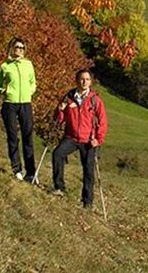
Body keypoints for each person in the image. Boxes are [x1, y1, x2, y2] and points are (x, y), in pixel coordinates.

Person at [52, 68, 108, 209]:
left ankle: (87, 201)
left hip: (89, 140)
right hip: (71, 137)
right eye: (82, 79)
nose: (84, 82)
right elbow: (59, 120)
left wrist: (99, 139)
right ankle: (59, 188)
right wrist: (60, 109)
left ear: (90, 82)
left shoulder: (95, 100)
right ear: (77, 80)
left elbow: (102, 121)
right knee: (57, 154)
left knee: (88, 170)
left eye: (87, 79)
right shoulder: (68, 97)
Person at [0, 37, 37, 182]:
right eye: (17, 47)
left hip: (25, 104)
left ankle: (30, 172)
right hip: (10, 104)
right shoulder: (5, 66)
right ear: (12, 48)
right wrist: (4, 91)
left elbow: (33, 82)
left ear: (25, 50)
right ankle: (17, 169)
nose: (19, 50)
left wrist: (29, 92)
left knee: (27, 137)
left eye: (22, 48)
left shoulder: (29, 65)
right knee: (13, 137)